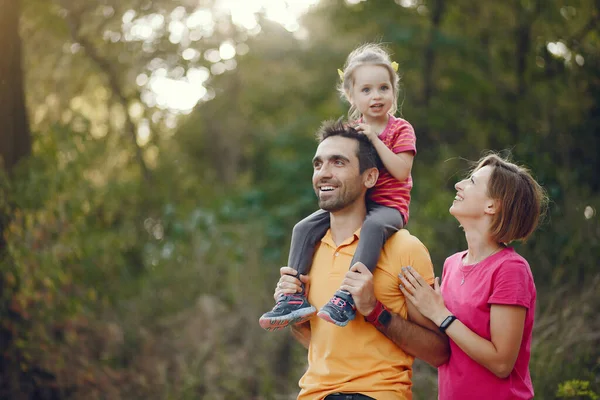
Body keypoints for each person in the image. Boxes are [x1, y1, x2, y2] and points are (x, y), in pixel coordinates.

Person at [272, 120, 449, 399]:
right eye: (318, 165)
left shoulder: (404, 248)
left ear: (370, 178)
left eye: (338, 163)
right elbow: (317, 343)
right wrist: (296, 313)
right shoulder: (308, 251)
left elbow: (439, 352)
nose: (324, 173)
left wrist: (374, 310)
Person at [260, 43, 417, 330]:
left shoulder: (400, 129)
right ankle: (292, 296)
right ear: (351, 95)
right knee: (303, 228)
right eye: (366, 90)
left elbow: (401, 170)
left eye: (384, 88)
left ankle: (347, 295)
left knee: (371, 228)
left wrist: (375, 139)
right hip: (359, 204)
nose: (377, 96)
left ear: (394, 91)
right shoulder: (352, 130)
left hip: (388, 208)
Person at [399, 154, 548, 400]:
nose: (459, 184)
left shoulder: (510, 269)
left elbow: (502, 363)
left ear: (492, 205)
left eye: (472, 181)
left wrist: (440, 314)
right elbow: (445, 342)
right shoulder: (452, 264)